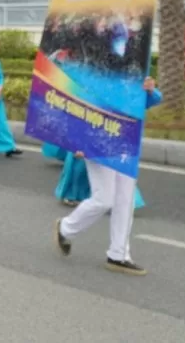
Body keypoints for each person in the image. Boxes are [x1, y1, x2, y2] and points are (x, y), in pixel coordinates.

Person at [55, 77, 163, 276]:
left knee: (125, 201)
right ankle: (65, 228)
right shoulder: (94, 67)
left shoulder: (133, 68)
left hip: (126, 143)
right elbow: (74, 104)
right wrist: (76, 140)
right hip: (97, 140)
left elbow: (149, 101)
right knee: (104, 199)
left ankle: (118, 255)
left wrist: (150, 91)